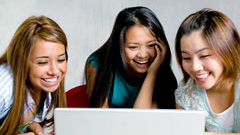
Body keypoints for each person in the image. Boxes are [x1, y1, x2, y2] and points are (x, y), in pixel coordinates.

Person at [85, 6, 177, 108]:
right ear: (119, 45)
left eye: (150, 45)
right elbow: (100, 119)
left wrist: (152, 74)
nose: (143, 55)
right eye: (133, 47)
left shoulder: (162, 75)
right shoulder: (98, 64)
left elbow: (141, 120)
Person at [175, 8, 240, 134]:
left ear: (228, 50)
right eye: (186, 58)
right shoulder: (187, 94)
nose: (195, 67)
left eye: (204, 56)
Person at [0, 15, 68, 135]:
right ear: (22, 61)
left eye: (61, 60)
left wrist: (32, 126)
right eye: (42, 62)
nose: (54, 71)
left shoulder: (41, 85)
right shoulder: (3, 90)